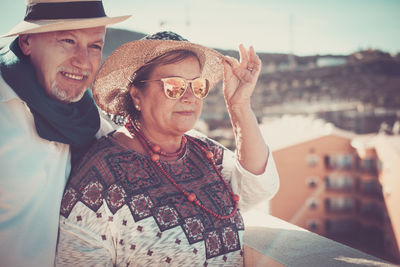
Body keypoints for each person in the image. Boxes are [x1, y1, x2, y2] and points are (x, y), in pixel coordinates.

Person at [56, 31, 279, 266]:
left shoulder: (204, 151)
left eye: (198, 86)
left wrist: (240, 106)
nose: (190, 96)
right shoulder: (99, 177)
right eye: (174, 86)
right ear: (136, 96)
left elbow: (258, 187)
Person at [0, 0, 130, 266]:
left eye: (94, 46)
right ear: (26, 42)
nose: (82, 61)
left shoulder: (88, 119)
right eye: (68, 41)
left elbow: (143, 146)